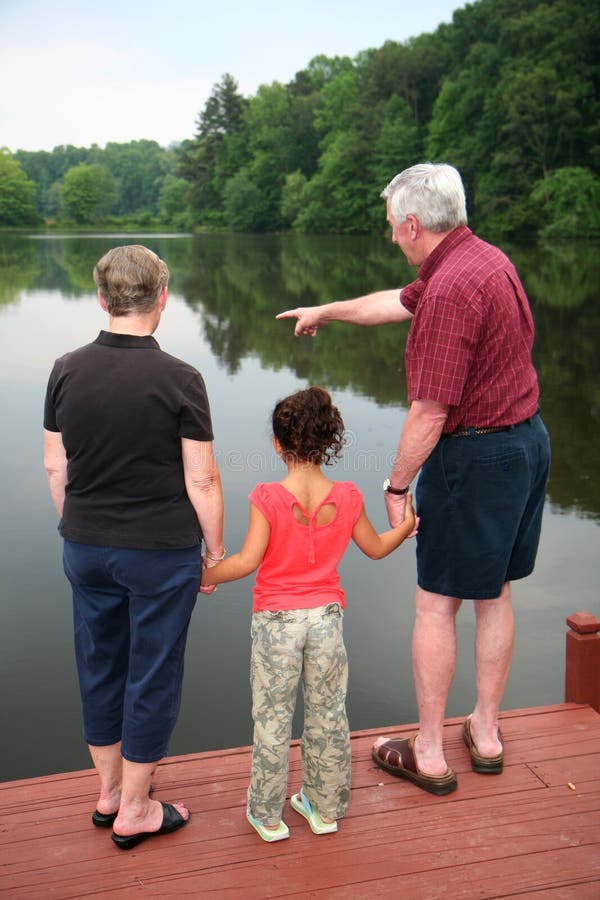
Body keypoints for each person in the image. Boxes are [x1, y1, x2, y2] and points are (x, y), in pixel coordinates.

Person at [276, 163, 551, 795]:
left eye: (393, 230)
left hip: (475, 460)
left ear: (412, 224)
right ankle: (485, 731)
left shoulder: (450, 290)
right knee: (496, 593)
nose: (392, 240)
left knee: (435, 603)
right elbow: (393, 302)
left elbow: (429, 412)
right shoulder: (481, 260)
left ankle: (428, 751)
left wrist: (397, 486)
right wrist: (327, 309)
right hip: (526, 444)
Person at [43, 244, 225, 849]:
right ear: (162, 299)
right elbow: (201, 479)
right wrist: (215, 553)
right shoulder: (181, 379)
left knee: (100, 665)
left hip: (86, 546)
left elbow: (54, 467)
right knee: (151, 672)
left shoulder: (65, 369)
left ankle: (109, 792)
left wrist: (79, 528)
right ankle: (137, 810)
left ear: (102, 298)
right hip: (160, 553)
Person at [201, 386, 416, 841]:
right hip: (325, 620)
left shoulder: (268, 497)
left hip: (277, 621)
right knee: (328, 714)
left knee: (273, 718)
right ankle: (324, 809)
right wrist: (406, 526)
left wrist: (206, 574)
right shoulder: (349, 494)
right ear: (328, 442)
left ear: (278, 444)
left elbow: (247, 561)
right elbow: (376, 548)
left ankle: (268, 814)